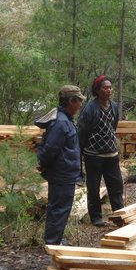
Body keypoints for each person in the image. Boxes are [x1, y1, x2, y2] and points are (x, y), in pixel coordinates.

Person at [36, 85, 86, 245]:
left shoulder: (66, 120)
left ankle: (55, 239)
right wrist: (43, 164)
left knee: (61, 208)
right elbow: (50, 149)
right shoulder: (61, 123)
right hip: (61, 175)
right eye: (78, 101)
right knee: (59, 208)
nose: (80, 105)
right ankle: (52, 242)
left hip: (66, 173)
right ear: (71, 101)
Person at [77, 75, 124, 227]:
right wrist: (82, 152)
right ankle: (96, 217)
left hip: (111, 154)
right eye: (105, 87)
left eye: (110, 87)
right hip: (93, 155)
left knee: (116, 186)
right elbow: (82, 132)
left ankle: (119, 214)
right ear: (97, 90)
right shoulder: (90, 108)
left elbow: (113, 127)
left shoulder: (114, 106)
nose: (108, 90)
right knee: (93, 187)